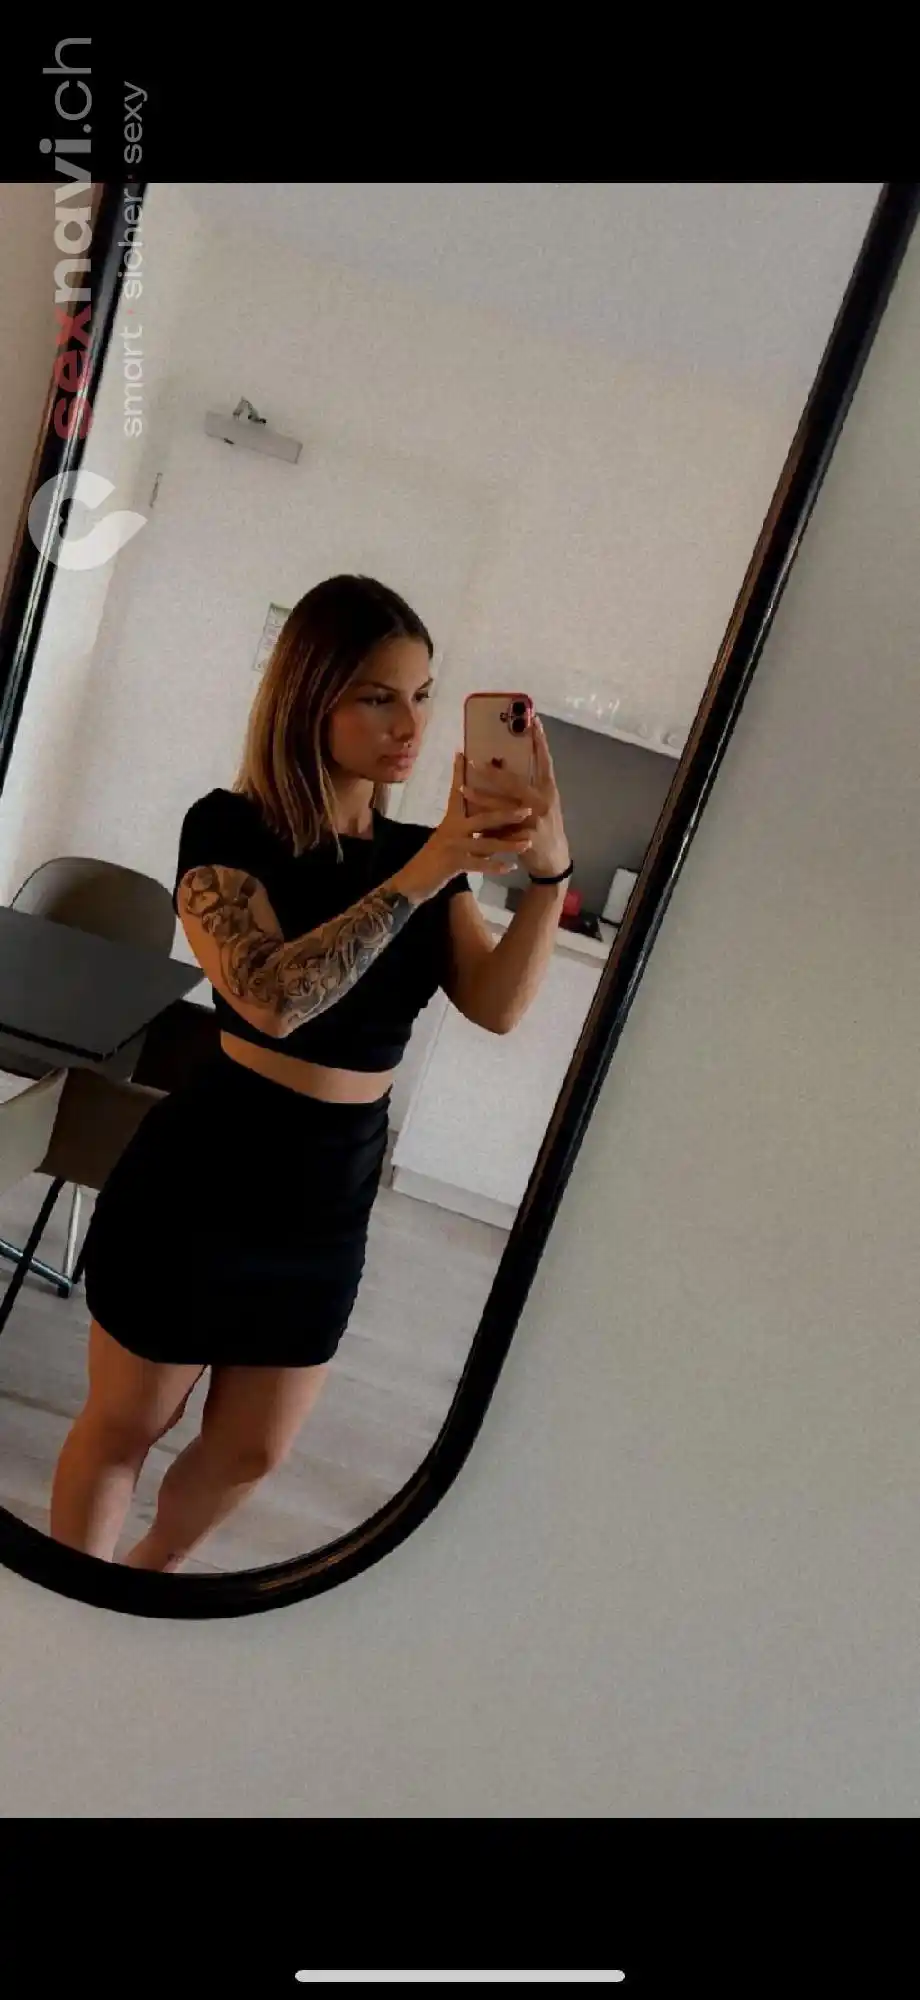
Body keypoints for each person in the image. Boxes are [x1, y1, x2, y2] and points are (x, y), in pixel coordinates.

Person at [49, 575, 572, 1571]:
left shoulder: (424, 856)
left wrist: (547, 877)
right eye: (377, 697)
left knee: (253, 1452)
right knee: (126, 1424)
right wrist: (425, 870)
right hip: (207, 1173)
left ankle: (146, 1585)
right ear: (309, 698)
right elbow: (272, 999)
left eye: (423, 695)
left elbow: (498, 1004)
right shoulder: (228, 829)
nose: (410, 725)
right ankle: (81, 1594)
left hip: (329, 1194)